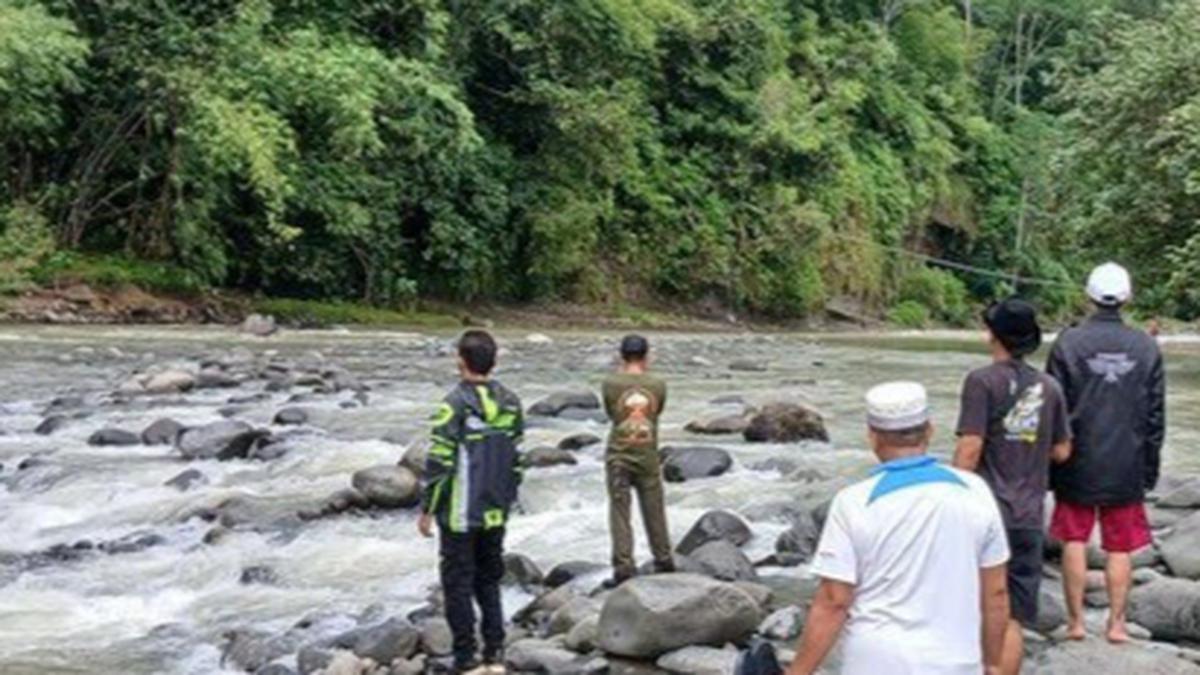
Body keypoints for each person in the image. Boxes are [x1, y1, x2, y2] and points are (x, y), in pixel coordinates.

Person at [788, 382, 1011, 675]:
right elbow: (995, 592)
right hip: (956, 662)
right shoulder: (975, 490)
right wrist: (992, 662)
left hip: (875, 662)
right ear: (929, 430)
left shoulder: (853, 502)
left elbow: (834, 601)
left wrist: (798, 671)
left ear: (872, 436)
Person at [1046, 262, 1166, 643]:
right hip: (1126, 459)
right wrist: (1150, 468)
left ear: (1090, 296)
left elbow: (1052, 406)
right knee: (1120, 546)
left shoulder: (1067, 342)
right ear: (1127, 297)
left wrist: (1050, 463)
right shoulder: (1146, 346)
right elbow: (1154, 415)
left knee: (1074, 539)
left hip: (1076, 458)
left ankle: (1076, 623)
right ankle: (1116, 625)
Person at [954, 298, 1072, 675]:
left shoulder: (981, 381)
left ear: (993, 335)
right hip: (1027, 515)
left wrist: (951, 497)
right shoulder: (1050, 386)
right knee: (1014, 615)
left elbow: (970, 448)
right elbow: (1062, 450)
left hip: (984, 514)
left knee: (976, 606)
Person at [418, 330, 524, 675]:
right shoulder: (511, 402)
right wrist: (508, 498)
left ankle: (466, 657)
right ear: (493, 362)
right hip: (495, 510)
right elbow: (517, 460)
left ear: (460, 361)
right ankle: (495, 651)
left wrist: (428, 509)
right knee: (489, 580)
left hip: (461, 514)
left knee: (458, 585)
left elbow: (440, 462)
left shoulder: (454, 404)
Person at [601, 334, 674, 587]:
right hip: (647, 454)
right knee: (654, 508)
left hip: (618, 455)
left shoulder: (610, 383)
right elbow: (657, 412)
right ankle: (663, 558)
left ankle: (623, 565)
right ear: (646, 355)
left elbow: (612, 413)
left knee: (620, 511)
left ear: (621, 356)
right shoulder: (657, 385)